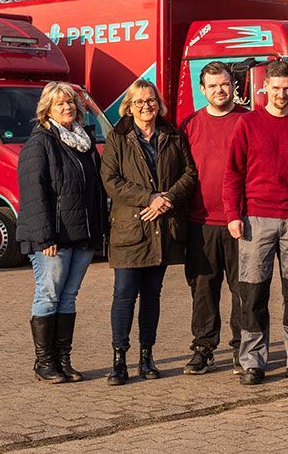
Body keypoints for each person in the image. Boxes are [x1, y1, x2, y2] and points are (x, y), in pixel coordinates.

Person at [222, 60, 288, 386]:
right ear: (265, 87)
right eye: (276, 88)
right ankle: (253, 361)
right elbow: (233, 174)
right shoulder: (248, 124)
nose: (281, 94)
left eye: (287, 88)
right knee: (253, 292)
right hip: (256, 220)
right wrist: (232, 215)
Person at [101, 79, 197, 386]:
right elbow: (111, 180)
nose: (146, 107)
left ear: (159, 104)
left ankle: (147, 356)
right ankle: (119, 360)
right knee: (124, 296)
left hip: (162, 230)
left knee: (152, 296)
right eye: (140, 102)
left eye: (151, 101)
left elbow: (190, 173)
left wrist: (165, 199)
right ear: (129, 105)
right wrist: (148, 198)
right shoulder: (117, 137)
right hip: (131, 229)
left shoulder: (172, 134)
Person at [17, 81, 107, 383]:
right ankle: (44, 363)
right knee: (48, 295)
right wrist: (45, 238)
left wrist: (98, 233)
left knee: (69, 297)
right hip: (52, 239)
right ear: (47, 110)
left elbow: (94, 192)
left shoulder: (83, 142)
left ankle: (63, 360)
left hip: (81, 236)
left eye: (70, 103)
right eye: (60, 104)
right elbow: (33, 193)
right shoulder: (40, 142)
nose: (67, 107)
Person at [179, 62, 247, 375]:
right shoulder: (190, 125)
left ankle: (242, 349)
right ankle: (203, 349)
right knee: (203, 291)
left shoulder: (248, 122)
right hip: (201, 222)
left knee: (242, 290)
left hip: (240, 223)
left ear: (234, 86)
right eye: (213, 86)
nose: (220, 90)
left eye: (225, 84)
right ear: (202, 90)